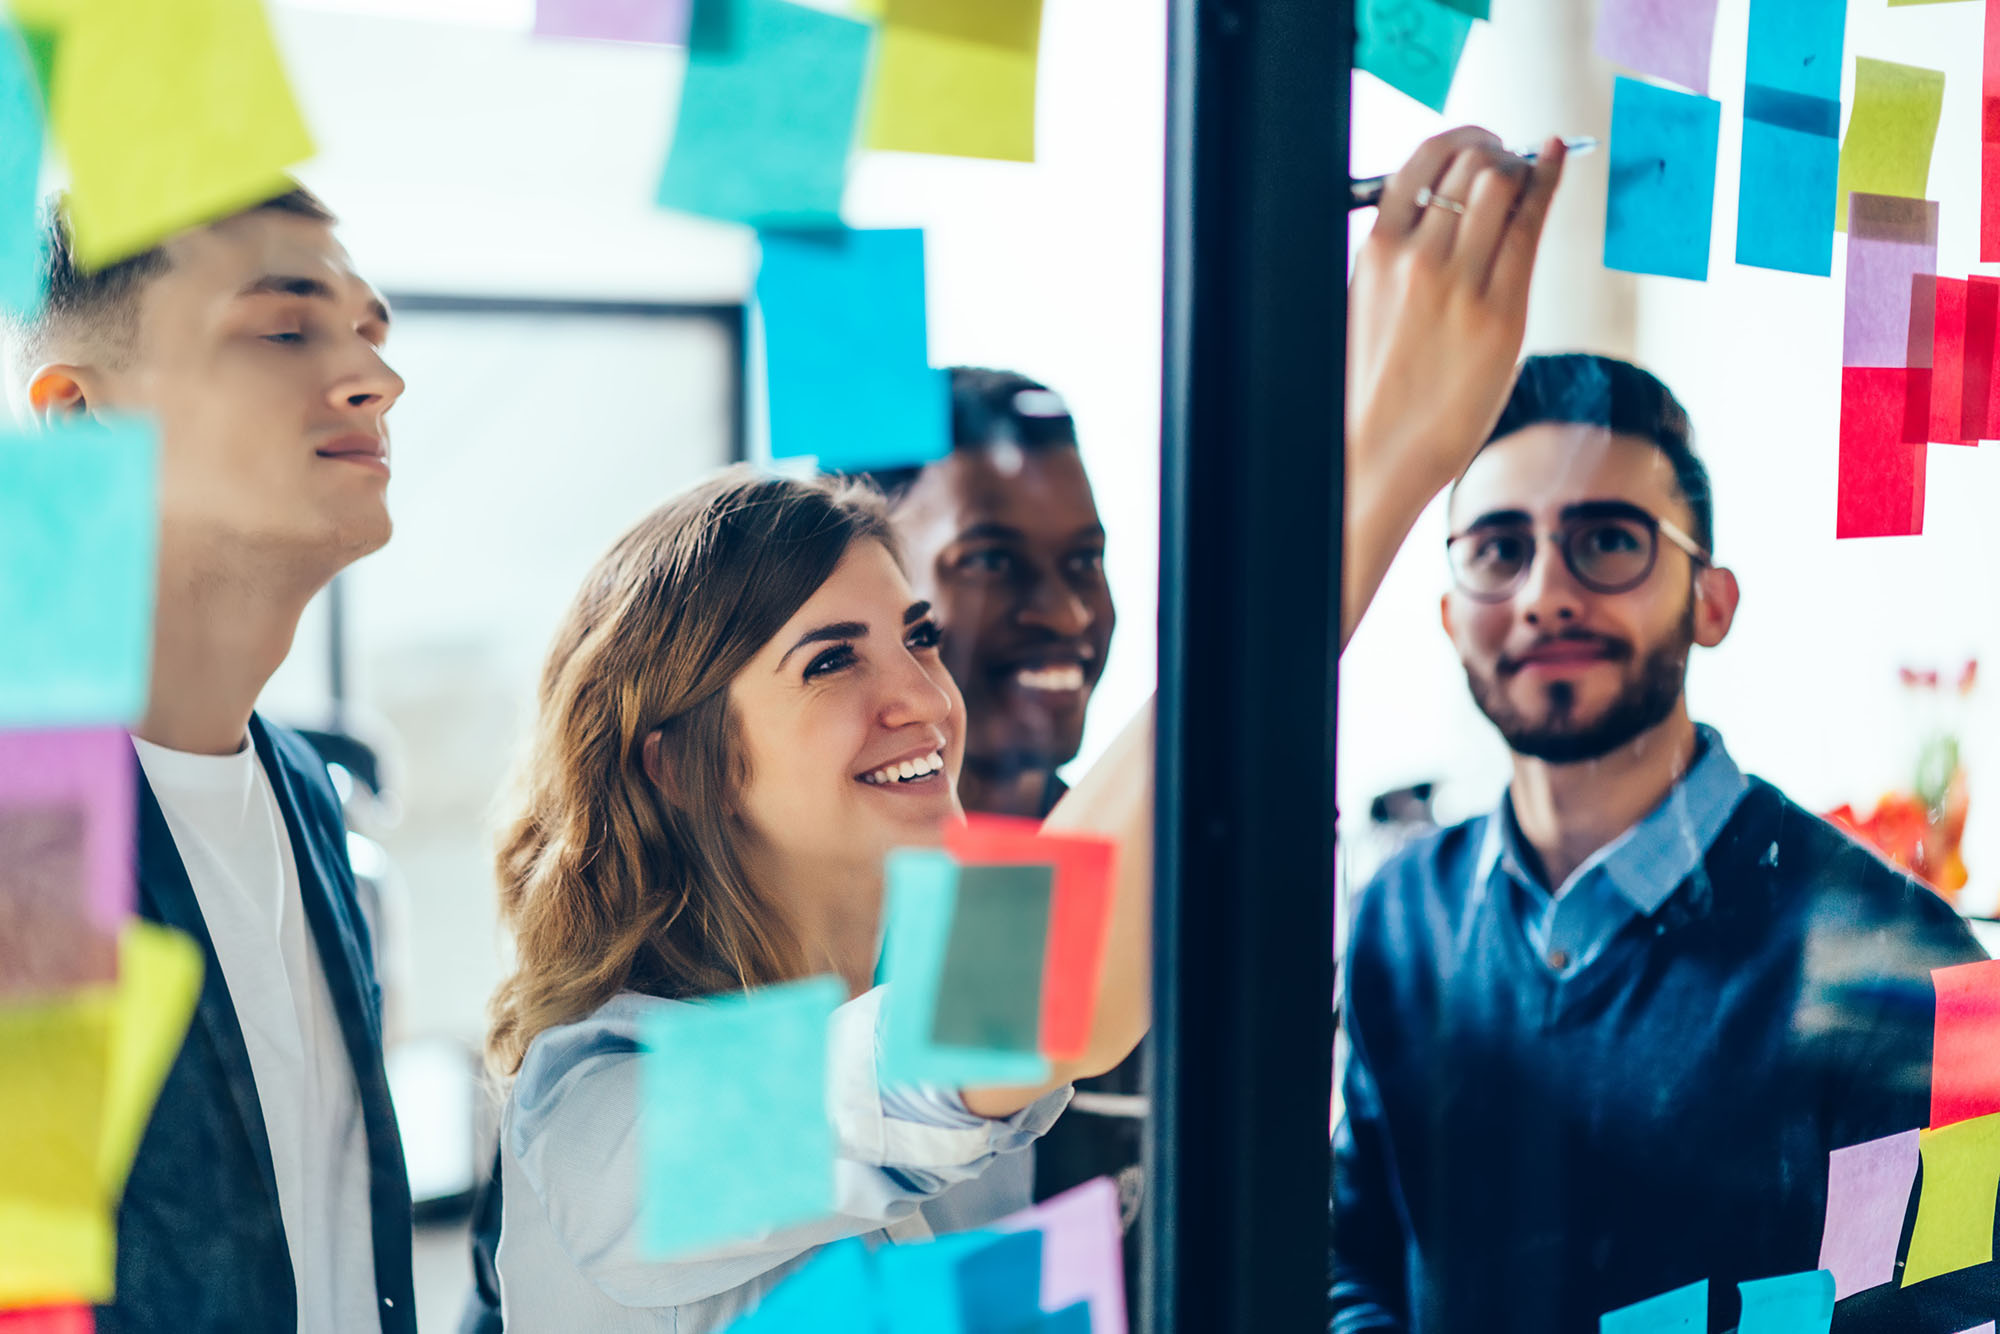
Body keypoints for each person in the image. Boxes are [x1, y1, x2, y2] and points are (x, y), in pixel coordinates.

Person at [480, 126, 1566, 1333]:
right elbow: (999, 1012)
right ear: (676, 759)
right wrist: (1373, 463)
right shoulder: (606, 1117)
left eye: (919, 636)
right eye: (830, 658)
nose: (922, 698)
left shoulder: (946, 1077)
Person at [1328, 354, 1994, 1333]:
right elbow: (1355, 1256)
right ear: (1447, 613)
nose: (1543, 593)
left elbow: (1960, 1316)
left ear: (1710, 602)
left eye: (1605, 540)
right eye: (1498, 549)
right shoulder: (1401, 915)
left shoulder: (1922, 970)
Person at [6, 190, 417, 1330]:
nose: (375, 380)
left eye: (371, 332)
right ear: (84, 419)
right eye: (286, 329)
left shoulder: (308, 803)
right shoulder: (21, 813)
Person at [858, 368, 1143, 1238]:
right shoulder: (775, 925)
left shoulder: (1178, 888)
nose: (1062, 612)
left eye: (1085, 562)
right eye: (989, 562)